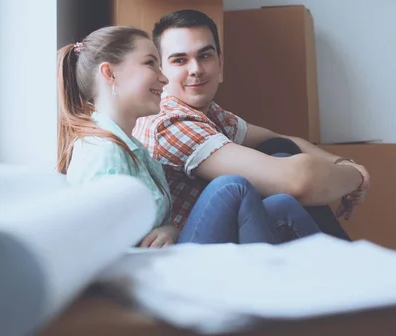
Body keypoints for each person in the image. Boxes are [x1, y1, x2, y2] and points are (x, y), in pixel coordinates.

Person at [56, 25, 321, 247]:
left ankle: (343, 285)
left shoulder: (130, 144)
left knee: (282, 204)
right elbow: (102, 249)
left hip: (168, 253)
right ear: (109, 73)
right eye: (151, 64)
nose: (163, 78)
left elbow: (156, 225)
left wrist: (171, 231)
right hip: (149, 276)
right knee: (231, 187)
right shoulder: (103, 153)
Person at [133, 10, 371, 241]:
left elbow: (279, 139)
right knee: (283, 202)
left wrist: (341, 163)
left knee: (278, 147)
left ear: (220, 61)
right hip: (187, 248)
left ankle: (344, 265)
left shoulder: (208, 112)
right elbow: (299, 181)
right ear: (161, 72)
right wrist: (355, 178)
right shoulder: (171, 122)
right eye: (180, 60)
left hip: (213, 233)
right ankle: (349, 270)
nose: (196, 69)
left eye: (205, 56)